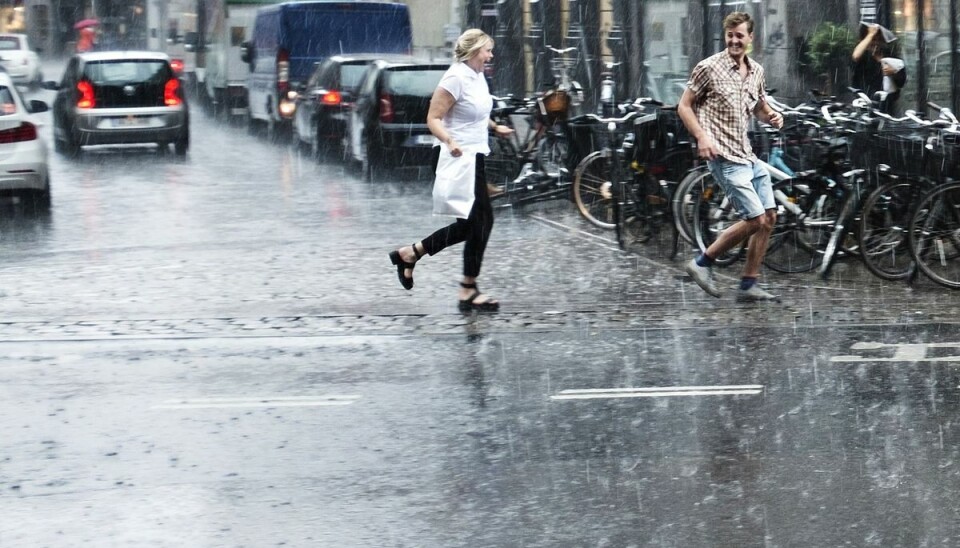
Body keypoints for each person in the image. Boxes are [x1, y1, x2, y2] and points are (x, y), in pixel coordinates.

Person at [388, 29, 513, 311]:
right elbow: (433, 118)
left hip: (474, 157)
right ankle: (465, 287)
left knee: (476, 224)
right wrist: (450, 141)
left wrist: (495, 127)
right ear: (473, 51)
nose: (491, 55)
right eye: (487, 50)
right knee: (478, 223)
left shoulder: (477, 75)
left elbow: (476, 111)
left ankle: (413, 254)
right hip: (455, 157)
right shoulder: (455, 77)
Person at [677, 11, 784, 302]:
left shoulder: (757, 71)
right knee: (754, 219)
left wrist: (771, 116)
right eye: (730, 35)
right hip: (723, 156)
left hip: (748, 156)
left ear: (751, 38)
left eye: (740, 36)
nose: (735, 41)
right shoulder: (708, 68)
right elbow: (684, 106)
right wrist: (702, 136)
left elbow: (759, 107)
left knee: (770, 218)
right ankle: (701, 264)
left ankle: (748, 284)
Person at [851, 23, 906, 114]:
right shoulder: (864, 56)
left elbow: (902, 80)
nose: (875, 42)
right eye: (872, 40)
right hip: (865, 103)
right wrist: (870, 34)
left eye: (878, 39)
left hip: (887, 105)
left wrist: (893, 73)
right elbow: (855, 56)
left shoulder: (890, 56)